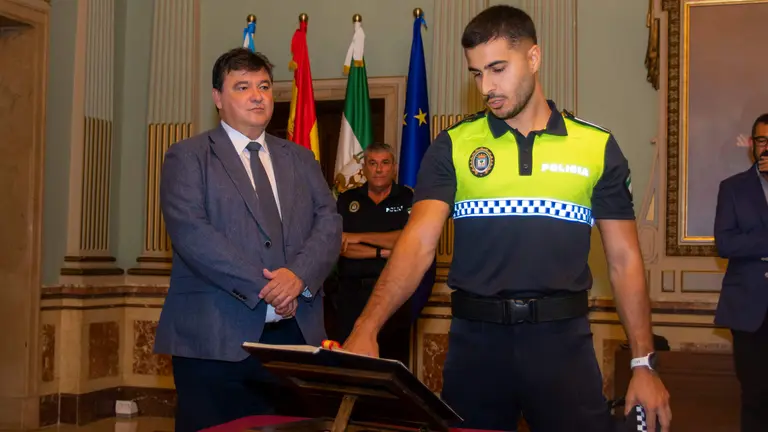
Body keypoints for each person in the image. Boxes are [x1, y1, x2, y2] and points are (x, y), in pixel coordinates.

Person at [342, 5, 671, 432]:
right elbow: (417, 244)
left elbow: (625, 260)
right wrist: (367, 327)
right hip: (476, 344)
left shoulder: (596, 147)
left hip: (562, 344)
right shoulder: (452, 146)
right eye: (477, 73)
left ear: (533, 58)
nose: (487, 86)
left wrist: (643, 363)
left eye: (497, 68)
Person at [154, 48, 342, 432]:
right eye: (242, 87)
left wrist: (299, 277)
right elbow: (192, 233)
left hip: (296, 341)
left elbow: (330, 221)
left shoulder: (301, 158)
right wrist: (269, 287)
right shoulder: (187, 157)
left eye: (264, 86)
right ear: (218, 98)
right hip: (214, 341)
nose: (257, 95)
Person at [334, 143, 436, 366]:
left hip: (394, 298)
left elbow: (409, 239)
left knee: (391, 366)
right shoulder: (346, 200)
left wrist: (357, 237)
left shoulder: (409, 198)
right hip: (351, 297)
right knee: (348, 364)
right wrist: (384, 252)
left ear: (395, 168)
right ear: (364, 167)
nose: (379, 169)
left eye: (385, 163)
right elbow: (340, 246)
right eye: (372, 163)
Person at [714, 113, 768, 432]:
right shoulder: (732, 188)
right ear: (751, 145)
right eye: (762, 141)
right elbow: (725, 243)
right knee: (755, 396)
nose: (767, 149)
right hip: (749, 309)